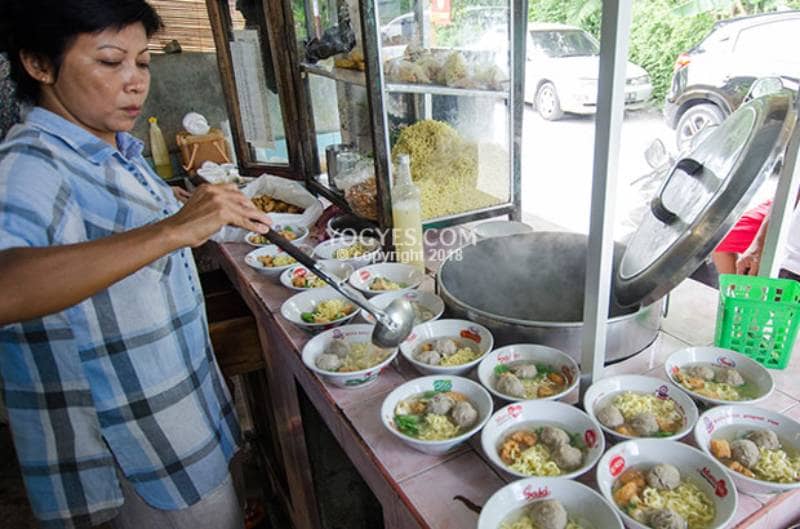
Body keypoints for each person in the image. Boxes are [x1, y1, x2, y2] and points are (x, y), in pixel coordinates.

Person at [0, 1, 272, 528]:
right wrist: (171, 229)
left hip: (177, 411)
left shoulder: (110, 150)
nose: (135, 83)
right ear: (38, 64)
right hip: (134, 448)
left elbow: (116, 231)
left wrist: (178, 208)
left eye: (142, 62)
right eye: (109, 62)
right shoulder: (32, 162)